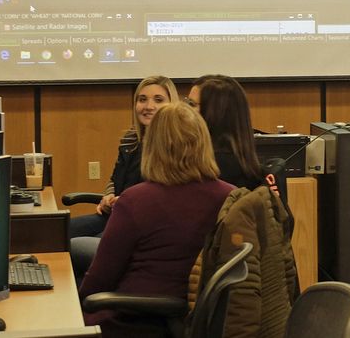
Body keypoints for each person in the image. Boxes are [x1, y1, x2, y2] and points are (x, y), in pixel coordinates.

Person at [79, 102, 235, 334]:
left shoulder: (136, 200)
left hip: (129, 319)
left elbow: (98, 283)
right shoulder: (231, 196)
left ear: (153, 147)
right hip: (192, 319)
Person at [69, 75, 178, 281]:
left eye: (158, 100)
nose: (148, 106)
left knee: (76, 248)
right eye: (142, 99)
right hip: (114, 215)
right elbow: (114, 179)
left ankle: (85, 303)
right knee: (55, 236)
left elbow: (168, 196)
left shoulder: (174, 146)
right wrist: (108, 197)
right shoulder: (130, 139)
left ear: (172, 105)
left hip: (140, 226)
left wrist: (128, 203)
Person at [187, 74, 264, 191]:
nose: (184, 110)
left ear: (214, 113)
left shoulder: (214, 167)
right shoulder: (242, 161)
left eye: (191, 104)